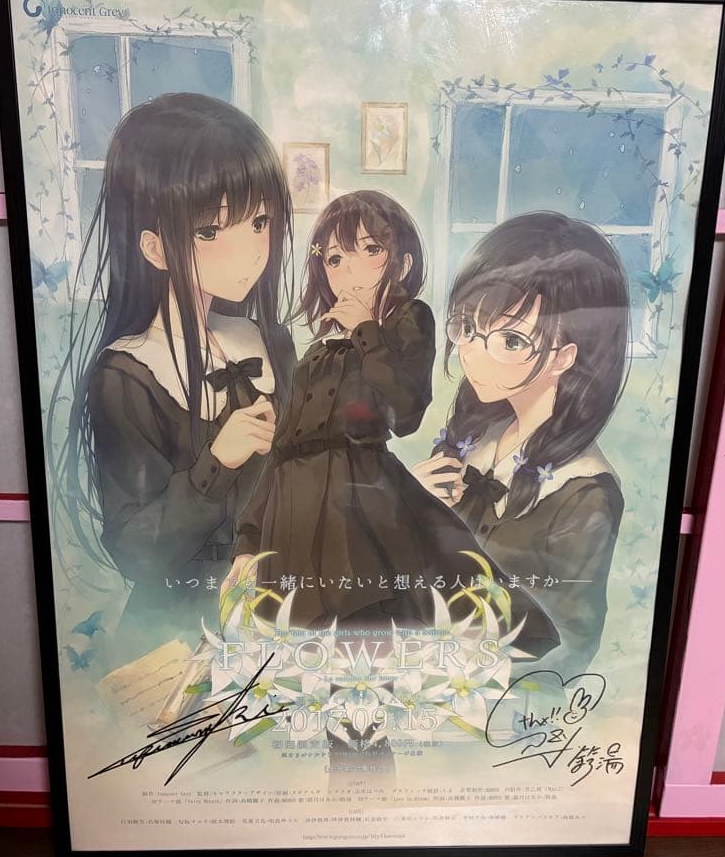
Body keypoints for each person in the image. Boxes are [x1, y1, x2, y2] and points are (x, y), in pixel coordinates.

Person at [227, 191, 559, 658]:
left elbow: (406, 413)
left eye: (370, 250)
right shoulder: (316, 354)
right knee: (302, 651)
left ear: (402, 264)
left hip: (358, 507)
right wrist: (248, 541)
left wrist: (366, 330)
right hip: (293, 518)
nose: (348, 270)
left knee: (371, 637)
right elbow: (282, 451)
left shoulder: (409, 321)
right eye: (334, 258)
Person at [49, 93, 296, 652]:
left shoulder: (270, 342)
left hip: (273, 612)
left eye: (259, 222)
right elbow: (136, 551)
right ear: (155, 248)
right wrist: (218, 462)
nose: (249, 252)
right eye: (210, 231)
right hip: (177, 631)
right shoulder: (128, 373)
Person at [413, 211, 629, 676]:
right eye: (466, 328)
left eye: (510, 341)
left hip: (492, 698)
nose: (472, 354)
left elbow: (570, 646)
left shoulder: (584, 494)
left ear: (565, 355)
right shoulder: (472, 440)